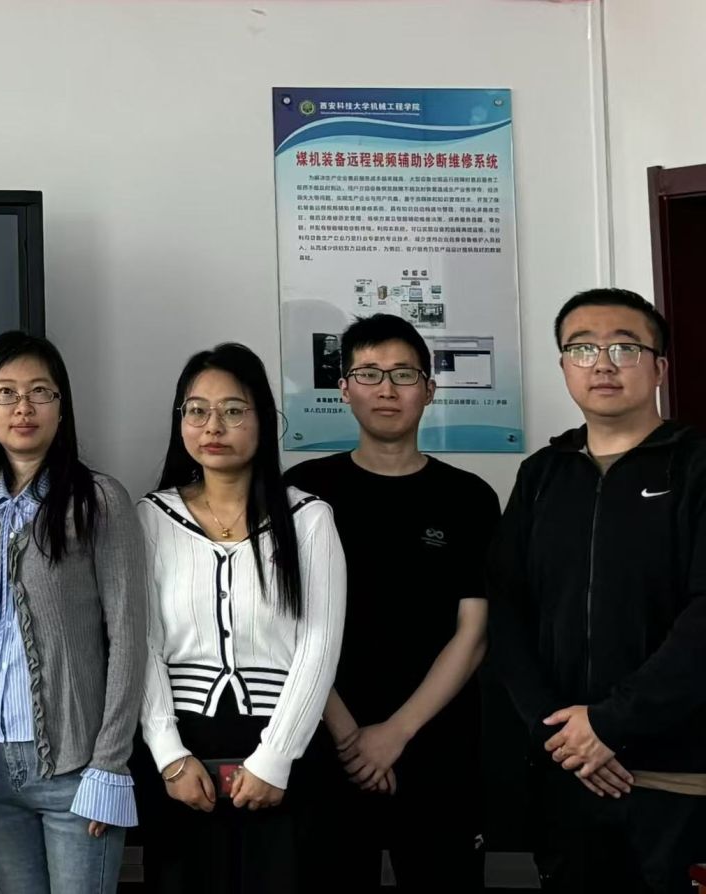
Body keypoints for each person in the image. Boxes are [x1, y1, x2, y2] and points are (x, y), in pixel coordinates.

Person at [488, 288, 706, 891]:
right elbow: (506, 612)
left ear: (660, 368)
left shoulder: (695, 466)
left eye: (624, 348)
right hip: (566, 772)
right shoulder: (541, 475)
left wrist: (611, 723)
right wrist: (559, 735)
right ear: (564, 366)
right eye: (582, 349)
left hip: (677, 778)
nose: (603, 364)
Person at [282, 314, 496, 891]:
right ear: (343, 388)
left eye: (403, 374)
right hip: (325, 741)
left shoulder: (469, 497)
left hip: (438, 744)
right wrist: (352, 739)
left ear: (429, 389)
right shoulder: (303, 492)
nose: (386, 389)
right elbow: (286, 625)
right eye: (369, 373)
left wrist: (395, 732)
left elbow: (473, 632)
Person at [0, 332, 147, 894]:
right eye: (4, 393)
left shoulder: (99, 500)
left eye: (39, 392)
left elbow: (130, 639)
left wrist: (109, 763)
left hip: (77, 769)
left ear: (61, 405)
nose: (22, 408)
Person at [135, 342, 345, 894]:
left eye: (233, 410)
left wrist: (275, 758)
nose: (213, 426)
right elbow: (142, 644)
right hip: (183, 755)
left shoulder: (308, 518)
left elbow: (319, 647)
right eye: (196, 410)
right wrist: (169, 757)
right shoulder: (152, 517)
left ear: (263, 419)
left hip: (284, 750)